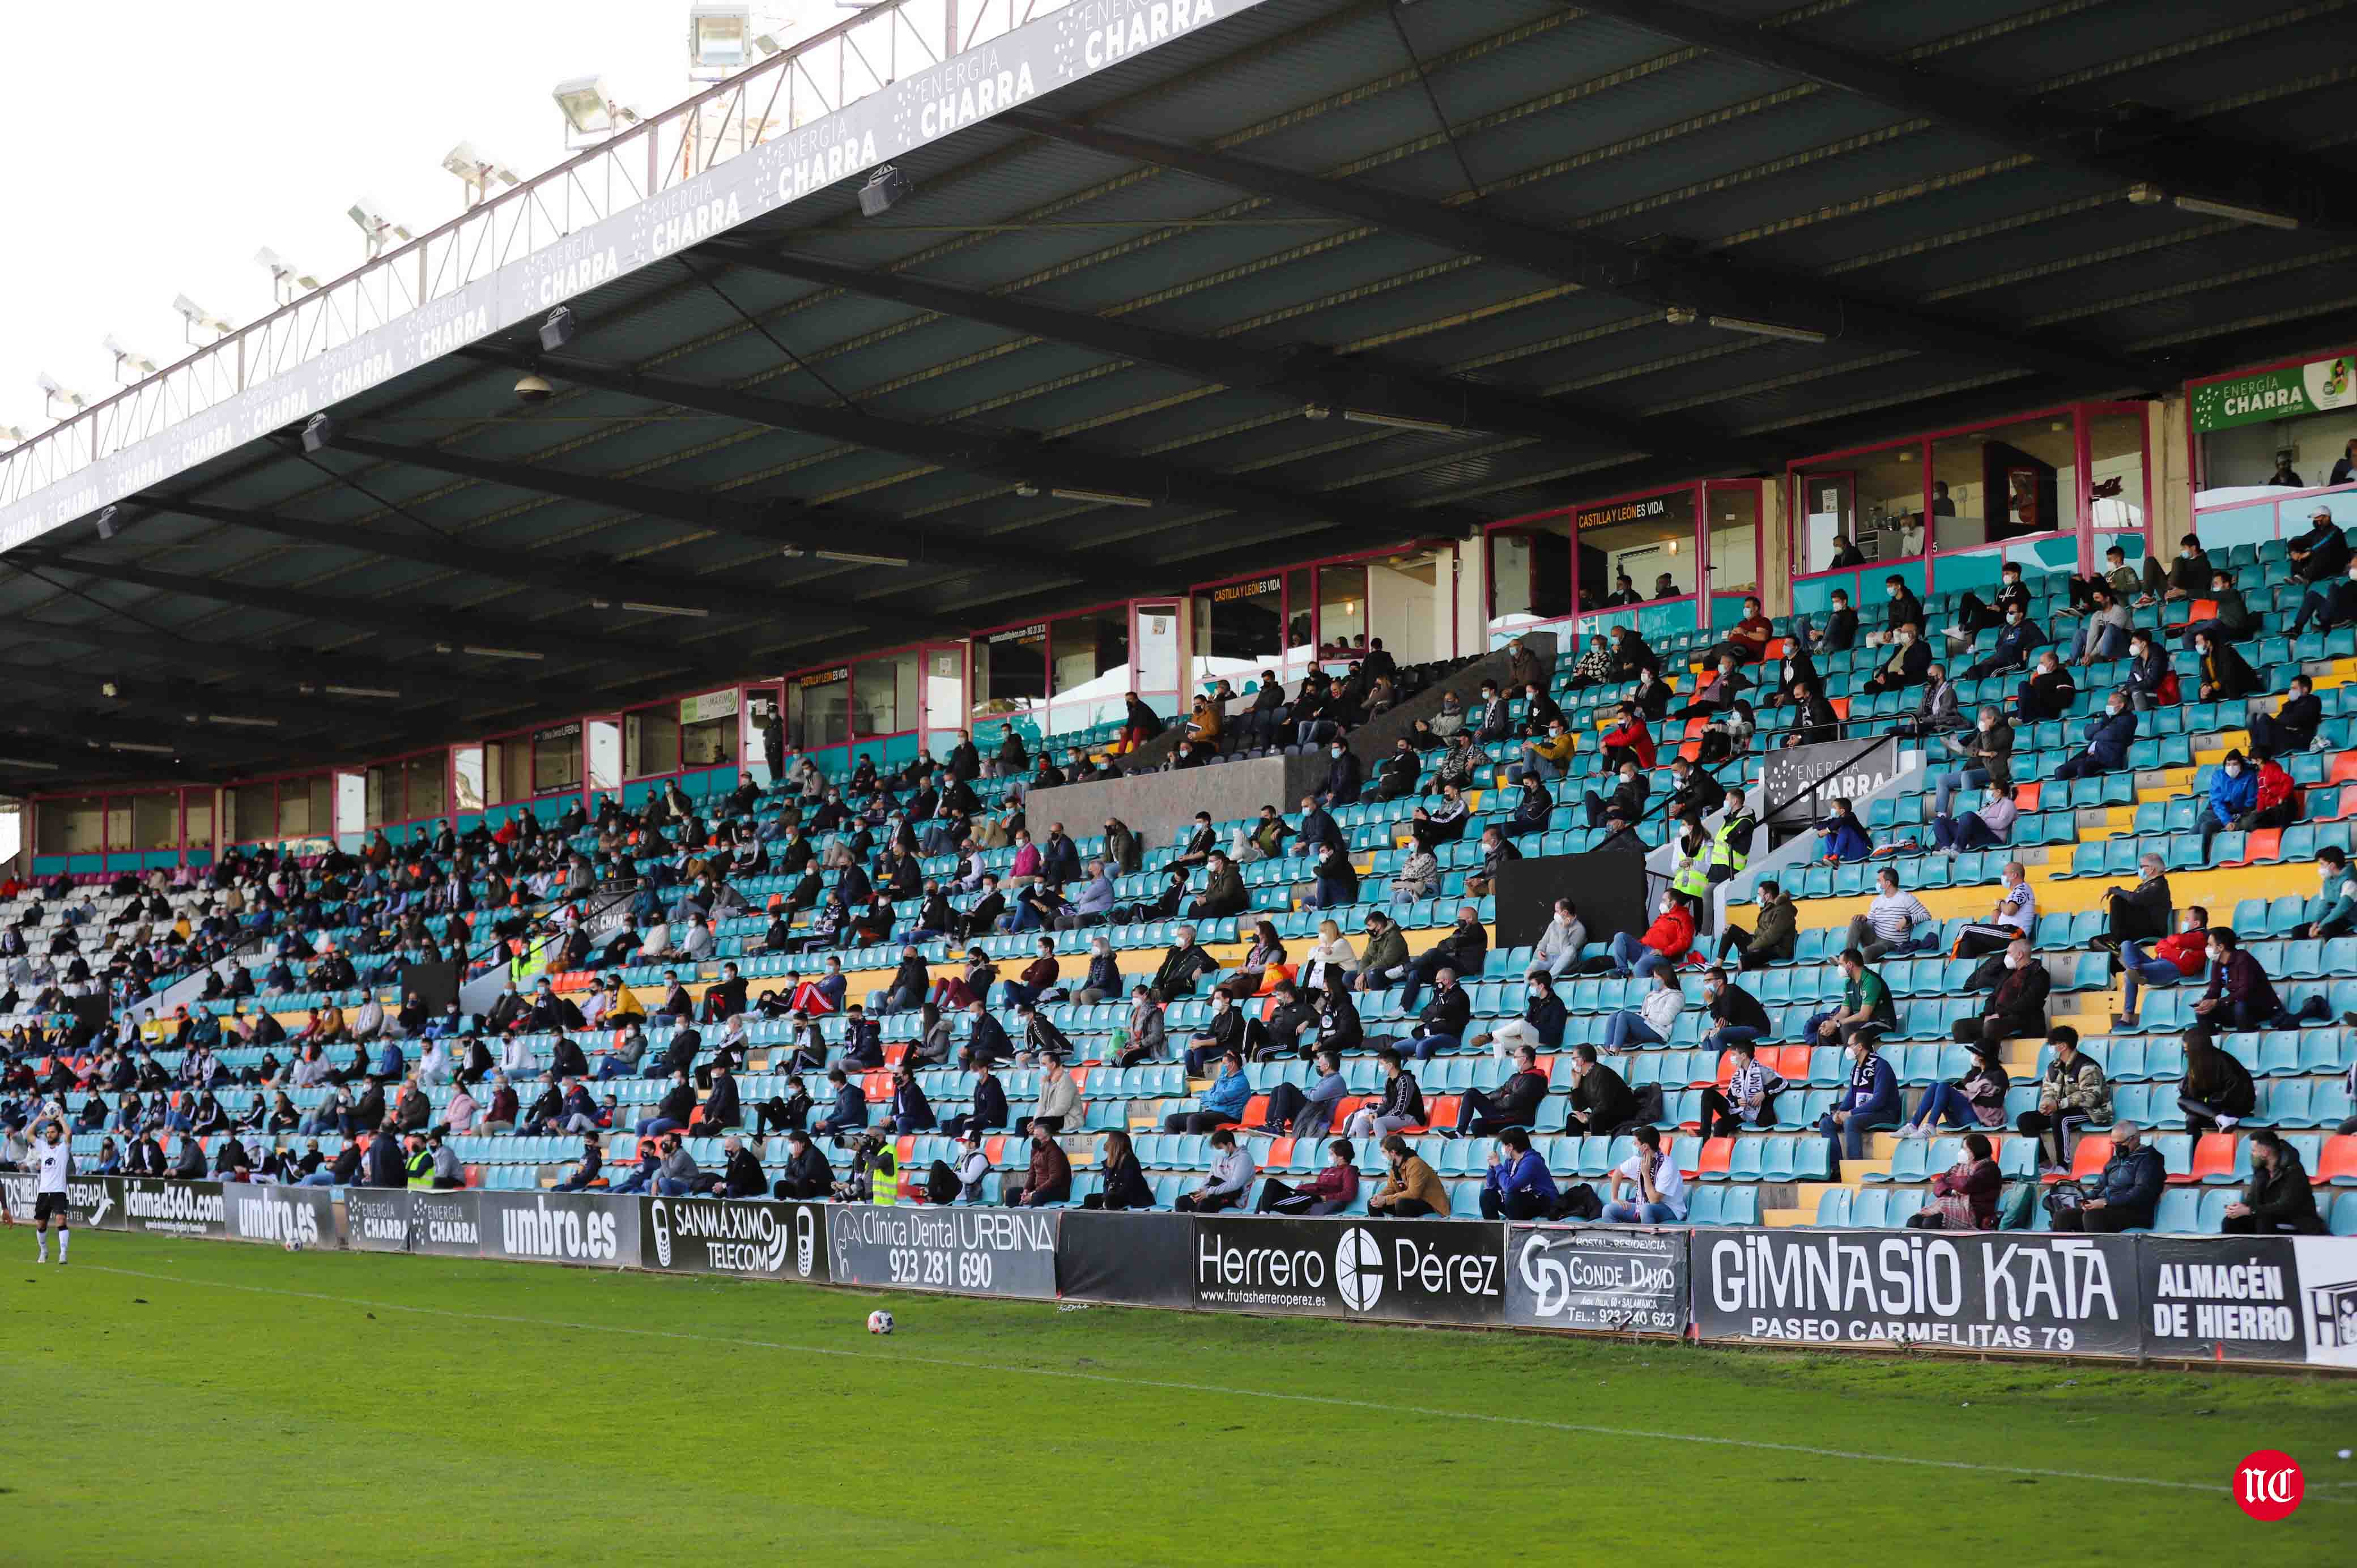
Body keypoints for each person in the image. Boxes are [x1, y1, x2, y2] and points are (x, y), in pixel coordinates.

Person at [2192, 927, 2329, 1033]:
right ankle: (2211, 1047)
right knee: (2202, 1013)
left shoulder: (2244, 959)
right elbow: (2214, 989)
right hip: (2237, 1007)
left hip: (2261, 1008)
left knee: (2240, 1005)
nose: (2207, 948)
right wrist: (2206, 1002)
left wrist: (2217, 1002)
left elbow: (2245, 992)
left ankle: (2246, 1041)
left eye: (2210, 944)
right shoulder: (2217, 963)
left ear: (2220, 947)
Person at [2016, 1027, 2109, 1168]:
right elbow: (2048, 1090)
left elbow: (2091, 1098)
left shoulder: (2087, 1066)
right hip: (2062, 1108)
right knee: (2025, 1120)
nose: (2051, 1048)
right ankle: (2044, 1164)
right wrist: (2046, 1103)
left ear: (2063, 1046)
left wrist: (2058, 1105)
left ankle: (2063, 1166)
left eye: (2052, 1044)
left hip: (2091, 1111)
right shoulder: (2053, 1067)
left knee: (2059, 1118)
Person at [2048, 1120, 2163, 1233]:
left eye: (2120, 1143)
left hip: (2135, 1212)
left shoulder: (2150, 1159)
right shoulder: (2114, 1161)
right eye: (2114, 1144)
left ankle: (2097, 1251)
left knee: (2093, 1216)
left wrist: (2106, 1203)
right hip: (2108, 1208)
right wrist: (2083, 1200)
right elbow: (2099, 1188)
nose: (2117, 1148)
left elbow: (2141, 1193)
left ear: (2134, 1139)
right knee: (2063, 1216)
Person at [2113, 905, 2208, 1029]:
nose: (2184, 922)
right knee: (2126, 945)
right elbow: (2160, 945)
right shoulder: (2187, 937)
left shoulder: (2202, 936)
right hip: (2159, 964)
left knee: (2128, 975)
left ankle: (2126, 1017)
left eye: (2187, 919)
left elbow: (2175, 941)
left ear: (2196, 923)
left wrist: (2170, 944)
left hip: (2173, 968)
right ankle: (2136, 971)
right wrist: (2170, 945)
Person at [1817, 1032, 1899, 1175]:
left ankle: (1854, 1169)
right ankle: (1837, 1169)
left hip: (1884, 1113)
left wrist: (1850, 1114)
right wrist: (1839, 1113)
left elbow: (1879, 1101)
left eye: (1850, 1045)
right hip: (1863, 1112)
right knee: (1826, 1123)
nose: (1847, 1049)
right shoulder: (1857, 1068)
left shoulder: (1881, 1066)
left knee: (1851, 1122)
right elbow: (1851, 1096)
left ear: (1860, 1047)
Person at [2222, 1130, 2328, 1234]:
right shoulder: (2261, 1170)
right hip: (2269, 1216)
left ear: (2265, 1153)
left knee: (2263, 1221)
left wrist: (2250, 1211)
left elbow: (2285, 1207)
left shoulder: (2294, 1171)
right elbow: (2253, 1200)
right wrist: (2240, 1208)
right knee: (2230, 1222)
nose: (2252, 1154)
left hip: (2298, 1222)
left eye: (2254, 1151)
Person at [1899, 1041, 2010, 1136]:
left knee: (1944, 1086)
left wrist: (1968, 1096)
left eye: (1973, 1053)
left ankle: (1931, 1126)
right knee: (1935, 1085)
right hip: (1959, 1117)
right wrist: (1962, 1092)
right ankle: (1913, 1125)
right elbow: (1965, 1090)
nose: (1972, 1055)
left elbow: (1997, 1101)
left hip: (1979, 1118)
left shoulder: (1998, 1075)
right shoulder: (1974, 1074)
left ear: (1980, 1056)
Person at [1801, 948, 1896, 1051]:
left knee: (1847, 1028)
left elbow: (1864, 1016)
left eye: (1841, 964)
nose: (1839, 968)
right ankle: (1830, 1065)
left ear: (1850, 964)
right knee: (1824, 1032)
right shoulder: (1848, 983)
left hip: (1881, 1023)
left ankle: (1852, 1064)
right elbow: (1844, 1011)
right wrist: (1831, 1023)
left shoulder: (1870, 980)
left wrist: (1837, 1024)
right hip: (1860, 1023)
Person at [1905, 1132, 2002, 1231]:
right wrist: (1950, 1191)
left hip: (1973, 1214)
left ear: (1977, 1150)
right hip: (1952, 1205)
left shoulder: (1990, 1169)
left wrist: (1948, 1180)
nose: (1962, 1152)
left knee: (1930, 1223)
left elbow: (1966, 1185)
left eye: (1965, 1149)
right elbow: (1938, 1184)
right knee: (1913, 1221)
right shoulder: (1960, 1166)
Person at [1453, 1044, 1550, 1137]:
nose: (1514, 1060)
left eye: (1516, 1057)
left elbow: (1514, 1102)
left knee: (1477, 1124)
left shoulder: (1534, 1079)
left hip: (1516, 1117)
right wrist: (1504, 1095)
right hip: (1503, 1112)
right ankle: (1459, 1134)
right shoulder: (1515, 1076)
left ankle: (1488, 1152)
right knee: (1471, 1093)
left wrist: (1498, 1100)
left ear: (1524, 1059)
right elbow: (1498, 1092)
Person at [1698, 1036, 1782, 1140]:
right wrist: (1737, 1102)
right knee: (1708, 1093)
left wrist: (1763, 1093)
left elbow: (1782, 1082)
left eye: (1734, 1055)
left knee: (1720, 1125)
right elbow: (1730, 1097)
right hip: (1739, 1113)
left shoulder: (1762, 1070)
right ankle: (1703, 1137)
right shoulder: (1738, 1073)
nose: (1732, 1058)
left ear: (1743, 1056)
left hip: (1757, 1113)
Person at [1599, 1124, 1687, 1224]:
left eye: (1636, 1143)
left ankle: (1647, 1238)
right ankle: (1617, 1239)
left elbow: (1654, 1200)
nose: (1634, 1145)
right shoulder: (1638, 1159)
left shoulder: (1668, 1166)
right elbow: (1618, 1172)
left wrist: (1645, 1174)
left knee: (1647, 1209)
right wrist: (1614, 1199)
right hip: (1644, 1204)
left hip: (1670, 1209)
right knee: (1609, 1209)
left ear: (1645, 1146)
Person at [2177, 1028, 2257, 1135]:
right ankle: (2197, 1150)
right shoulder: (2197, 1063)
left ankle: (2222, 1118)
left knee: (2190, 1107)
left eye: (2188, 1051)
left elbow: (2237, 1094)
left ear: (2197, 1049)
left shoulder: (2225, 1062)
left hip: (2234, 1108)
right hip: (2214, 1109)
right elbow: (2187, 1093)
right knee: (2190, 1116)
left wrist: (2208, 1100)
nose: (2186, 1054)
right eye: (2184, 1050)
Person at [1844, 868, 1935, 961]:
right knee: (1857, 921)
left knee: (1866, 953)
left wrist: (1907, 919)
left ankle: (1853, 966)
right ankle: (1846, 958)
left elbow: (1926, 915)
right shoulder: (1877, 901)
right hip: (1875, 937)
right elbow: (1871, 923)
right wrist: (1865, 919)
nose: (1877, 883)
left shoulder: (1906, 899)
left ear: (1888, 884)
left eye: (1879, 881)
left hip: (1892, 943)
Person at [1255, 1137, 1360, 1215]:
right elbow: (1318, 1185)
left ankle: (1258, 1222)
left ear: (1341, 1156)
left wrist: (1325, 1198)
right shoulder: (1326, 1170)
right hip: (1300, 1193)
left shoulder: (1349, 1170)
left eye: (1331, 1154)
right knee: (1270, 1184)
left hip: (1310, 1199)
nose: (1329, 1157)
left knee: (1266, 1201)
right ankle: (1259, 1219)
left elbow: (1349, 1193)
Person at [1952, 861, 2035, 958]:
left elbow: (2010, 910)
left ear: (2014, 875)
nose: (2002, 876)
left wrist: (2000, 903)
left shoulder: (2022, 889)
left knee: (1965, 929)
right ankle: (1966, 971)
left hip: (2014, 934)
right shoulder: (2017, 891)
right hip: (2006, 933)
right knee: (1968, 943)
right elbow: (2008, 908)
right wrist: (1997, 910)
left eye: (2004, 873)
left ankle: (1952, 964)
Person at [1607, 892, 1694, 980]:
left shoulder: (1685, 918)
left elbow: (1685, 941)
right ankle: (1622, 971)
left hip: (1660, 956)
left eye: (1664, 900)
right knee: (1620, 937)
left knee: (1638, 968)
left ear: (1673, 903)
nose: (1661, 903)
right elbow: (1652, 936)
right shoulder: (1663, 916)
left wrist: (1664, 952)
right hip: (1643, 949)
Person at [1345, 1048, 1426, 1143]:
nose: (1380, 1067)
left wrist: (1379, 1118)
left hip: (1411, 1118)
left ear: (1390, 1065)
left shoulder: (1405, 1081)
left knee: (1379, 1122)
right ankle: (1362, 1154)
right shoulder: (1389, 1081)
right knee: (1361, 1122)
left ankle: (1384, 1154)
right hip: (1396, 1117)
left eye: (1382, 1064)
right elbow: (1387, 1104)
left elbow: (1400, 1110)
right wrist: (1376, 1114)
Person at [1477, 1127, 1559, 1220]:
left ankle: (1515, 1231)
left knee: (1512, 1197)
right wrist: (1492, 1168)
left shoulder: (1531, 1161)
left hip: (1543, 1203)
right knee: (1487, 1195)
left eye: (1504, 1145)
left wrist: (1498, 1166)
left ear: (1510, 1147)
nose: (1502, 1148)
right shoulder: (1510, 1161)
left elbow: (1510, 1187)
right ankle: (1494, 1231)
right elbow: (1492, 1186)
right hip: (1519, 1202)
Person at [21, 1115, 71, 1264]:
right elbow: (29, 1134)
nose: (49, 1135)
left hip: (59, 1191)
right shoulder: (43, 1147)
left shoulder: (64, 1149)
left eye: (53, 1132)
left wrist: (61, 1118)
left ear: (59, 1134)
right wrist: (39, 1118)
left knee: (61, 1220)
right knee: (41, 1224)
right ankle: (43, 1250)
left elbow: (69, 1134)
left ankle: (63, 1253)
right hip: (44, 1192)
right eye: (48, 1132)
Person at [2052, 691, 2135, 781]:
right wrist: (2103, 727)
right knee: (2060, 771)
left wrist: (2097, 733)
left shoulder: (2128, 718)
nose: (2108, 705)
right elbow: (2087, 733)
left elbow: (2111, 735)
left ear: (2121, 705)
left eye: (2111, 703)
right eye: (2108, 703)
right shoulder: (2106, 719)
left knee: (2083, 769)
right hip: (2089, 757)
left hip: (2106, 759)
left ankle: (2085, 794)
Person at [1715, 880, 1796, 970]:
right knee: (1729, 929)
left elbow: (1771, 937)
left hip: (1777, 949)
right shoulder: (1768, 907)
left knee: (1744, 960)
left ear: (1768, 896)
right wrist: (1753, 947)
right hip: (1762, 945)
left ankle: (1742, 983)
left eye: (1759, 894)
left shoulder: (1783, 911)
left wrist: (1751, 948)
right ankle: (1717, 967)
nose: (1757, 897)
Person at [1163, 1051, 1250, 1134]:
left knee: (1194, 1119)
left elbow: (1219, 1098)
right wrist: (1214, 1099)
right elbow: (1204, 1098)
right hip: (1213, 1112)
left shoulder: (1241, 1082)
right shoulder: (1221, 1079)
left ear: (1232, 1065)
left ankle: (1193, 1149)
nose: (1222, 1066)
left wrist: (1212, 1098)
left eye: (1224, 1064)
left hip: (1229, 1116)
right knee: (1171, 1120)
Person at [1602, 968, 1684, 1054]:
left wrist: (1648, 1016)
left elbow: (1666, 1019)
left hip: (1659, 1031)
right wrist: (1643, 1017)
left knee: (1624, 1015)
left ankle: (1615, 1050)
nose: (1654, 980)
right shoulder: (1653, 994)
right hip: (1648, 1025)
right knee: (1614, 1016)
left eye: (1656, 978)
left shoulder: (1676, 996)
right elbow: (1645, 1014)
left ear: (1665, 978)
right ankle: (1607, 1049)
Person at [1561, 1045, 1639, 1136]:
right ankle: (1574, 1149)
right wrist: (1575, 1084)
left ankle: (1597, 1148)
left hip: (1622, 1116)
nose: (1572, 1062)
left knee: (1596, 1118)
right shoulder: (1582, 1076)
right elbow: (1578, 1108)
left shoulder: (1603, 1073)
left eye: (1574, 1059)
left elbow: (1605, 1105)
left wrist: (1588, 1118)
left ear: (1582, 1060)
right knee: (1573, 1118)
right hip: (1603, 1116)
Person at [1174, 1127, 1254, 1213]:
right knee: (1180, 1202)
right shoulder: (1219, 1158)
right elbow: (1210, 1177)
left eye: (1221, 1148)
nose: (1219, 1151)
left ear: (1230, 1145)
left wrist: (1208, 1193)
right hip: (1214, 1194)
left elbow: (1234, 1185)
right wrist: (1200, 1191)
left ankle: (1198, 1226)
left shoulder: (1244, 1159)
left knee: (1204, 1205)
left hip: (1234, 1199)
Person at [1367, 1134, 1448, 1218]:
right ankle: (1382, 1231)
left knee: (1402, 1203)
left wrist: (1385, 1200)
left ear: (1393, 1152)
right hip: (1409, 1201)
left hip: (1430, 1203)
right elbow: (1391, 1188)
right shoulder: (1395, 1166)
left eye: (1383, 1152)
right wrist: (1380, 1197)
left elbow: (1414, 1194)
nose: (1382, 1156)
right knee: (1372, 1203)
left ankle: (1403, 1232)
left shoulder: (1416, 1164)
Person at [2179, 566, 2256, 650]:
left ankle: (2185, 629)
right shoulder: (2223, 598)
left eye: (2216, 584)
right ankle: (2195, 659)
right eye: (2213, 585)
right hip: (2224, 631)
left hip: (2237, 632)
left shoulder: (2233, 593)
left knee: (2214, 623)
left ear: (2226, 585)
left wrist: (2185, 592)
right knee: (2187, 636)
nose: (2214, 587)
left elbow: (2209, 595)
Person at [2247, 674, 2321, 760]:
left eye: (2294, 688)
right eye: (2291, 689)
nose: (2291, 691)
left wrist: (2285, 722)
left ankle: (2262, 755)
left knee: (2265, 718)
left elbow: (2295, 720)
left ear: (2305, 689)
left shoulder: (2313, 701)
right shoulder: (2291, 704)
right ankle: (2255, 754)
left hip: (2299, 739)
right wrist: (2286, 722)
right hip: (2288, 736)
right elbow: (2282, 719)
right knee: (2252, 718)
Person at [1002, 1123, 1071, 1208]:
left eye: (1037, 1136)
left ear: (1047, 1138)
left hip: (1056, 1191)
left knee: (1036, 1197)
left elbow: (1054, 1180)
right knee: (1011, 1193)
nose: (1035, 1139)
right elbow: (1032, 1174)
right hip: (1039, 1189)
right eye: (1034, 1136)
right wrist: (1026, 1190)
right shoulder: (1035, 1150)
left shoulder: (1055, 1152)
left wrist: (1033, 1194)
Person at [771, 1130, 832, 1200]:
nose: (790, 1145)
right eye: (790, 1143)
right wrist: (796, 1181)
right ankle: (781, 1208)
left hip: (820, 1188)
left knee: (802, 1183)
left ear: (803, 1143)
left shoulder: (814, 1154)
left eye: (793, 1143)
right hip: (802, 1185)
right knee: (779, 1186)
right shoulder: (793, 1153)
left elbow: (805, 1176)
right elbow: (787, 1174)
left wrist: (796, 1159)